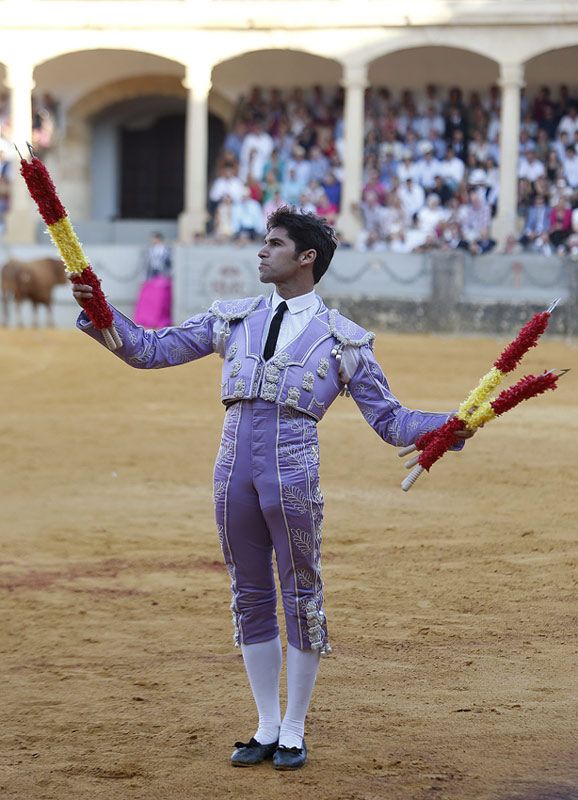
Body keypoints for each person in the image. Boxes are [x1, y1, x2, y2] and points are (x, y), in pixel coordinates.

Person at [71, 208, 472, 771]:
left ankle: (294, 728)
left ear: (306, 258)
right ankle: (264, 724)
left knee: (301, 594)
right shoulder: (231, 319)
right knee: (250, 594)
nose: (261, 252)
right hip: (232, 471)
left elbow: (390, 420)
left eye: (274, 244)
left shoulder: (344, 341)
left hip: (291, 476)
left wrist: (451, 424)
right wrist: (99, 308)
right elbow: (149, 349)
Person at [134, 232, 172, 328]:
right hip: (152, 278)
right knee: (150, 301)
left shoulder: (167, 250)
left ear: (157, 239)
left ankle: (159, 321)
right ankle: (149, 320)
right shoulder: (149, 250)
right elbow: (147, 266)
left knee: (160, 301)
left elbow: (169, 265)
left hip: (163, 278)